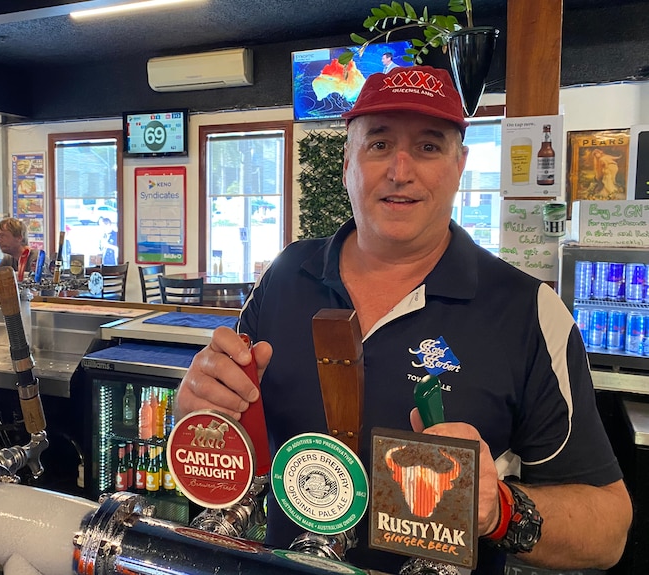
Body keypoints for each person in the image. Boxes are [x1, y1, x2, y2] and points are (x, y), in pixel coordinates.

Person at [175, 66, 631, 574]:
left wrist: (499, 510)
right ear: (347, 161)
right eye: (379, 144)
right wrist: (200, 413)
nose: (400, 169)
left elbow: (609, 527)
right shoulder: (283, 277)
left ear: (460, 166)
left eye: (429, 147)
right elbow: (234, 439)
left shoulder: (528, 312)